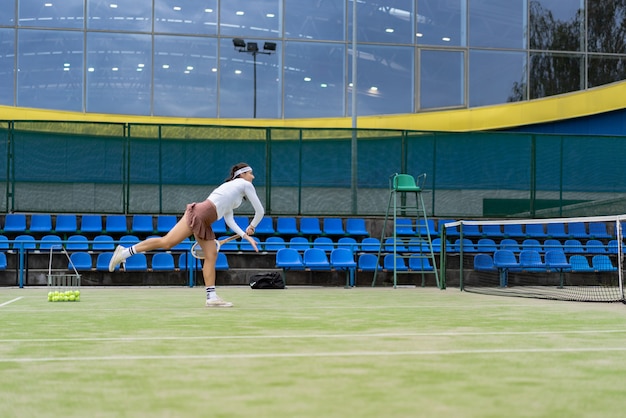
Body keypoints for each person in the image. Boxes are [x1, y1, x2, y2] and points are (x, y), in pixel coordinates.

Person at [108, 162, 265, 307]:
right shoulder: (244, 184)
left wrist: (245, 235)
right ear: (242, 174)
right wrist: (252, 225)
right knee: (205, 254)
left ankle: (124, 252)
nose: (253, 176)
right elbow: (260, 211)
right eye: (250, 173)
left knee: (170, 243)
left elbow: (228, 218)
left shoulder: (232, 189)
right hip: (201, 215)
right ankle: (211, 298)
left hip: (201, 216)